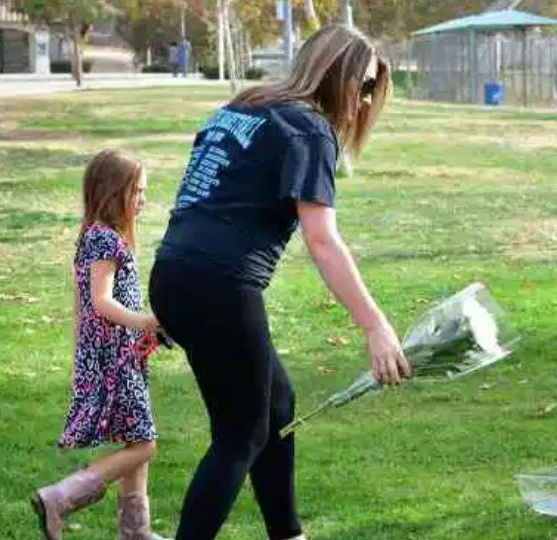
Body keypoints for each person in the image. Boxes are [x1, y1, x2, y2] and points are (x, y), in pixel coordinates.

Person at [148, 24, 408, 540]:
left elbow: (203, 197)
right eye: (363, 86)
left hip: (176, 271)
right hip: (219, 284)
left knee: (276, 405)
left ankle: (287, 534)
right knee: (239, 436)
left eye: (373, 89)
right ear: (338, 78)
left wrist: (181, 298)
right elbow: (322, 241)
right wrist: (376, 326)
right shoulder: (309, 129)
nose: (365, 99)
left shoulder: (242, 108)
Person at [31, 150, 170, 540]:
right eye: (137, 191)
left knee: (134, 437)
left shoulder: (96, 236)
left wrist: (83, 357)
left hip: (117, 353)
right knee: (144, 446)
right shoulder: (104, 240)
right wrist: (146, 321)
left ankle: (136, 532)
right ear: (113, 193)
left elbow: (82, 307)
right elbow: (100, 300)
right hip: (115, 358)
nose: (143, 200)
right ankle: (61, 497)